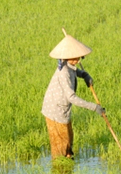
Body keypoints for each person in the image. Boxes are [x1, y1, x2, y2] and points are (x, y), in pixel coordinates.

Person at [42, 30, 105, 159]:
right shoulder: (63, 72)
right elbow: (72, 97)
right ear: (66, 57)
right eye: (74, 57)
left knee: (69, 138)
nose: (77, 60)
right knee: (61, 144)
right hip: (55, 111)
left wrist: (84, 75)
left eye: (79, 57)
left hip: (64, 109)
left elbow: (75, 71)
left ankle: (68, 161)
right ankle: (60, 170)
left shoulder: (69, 65)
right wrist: (94, 107)